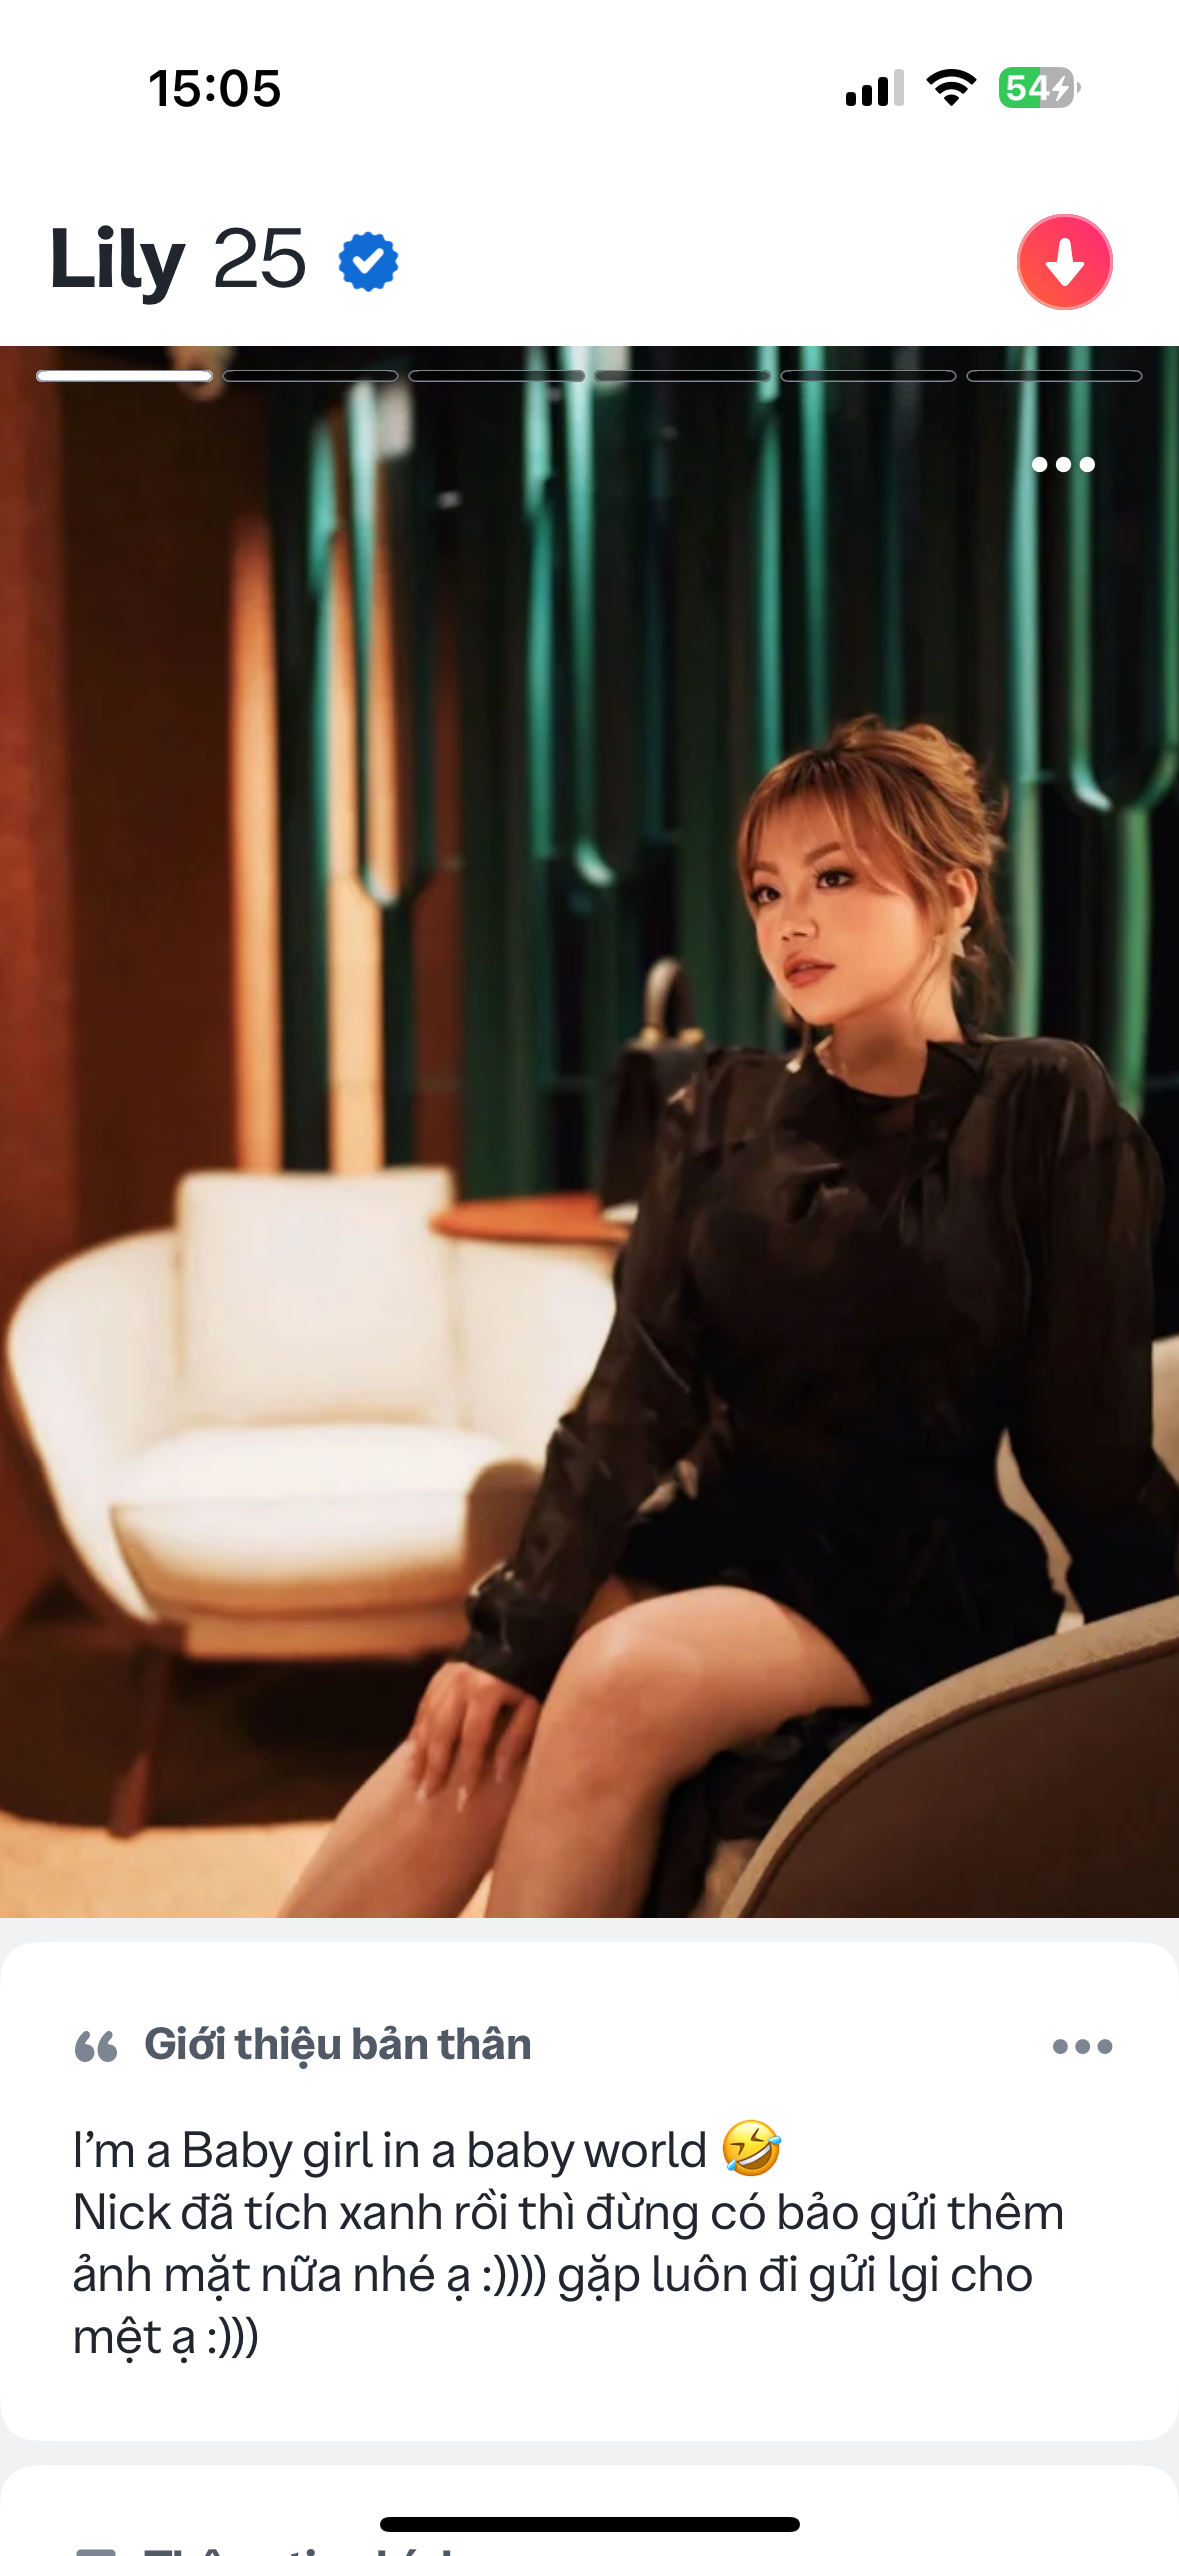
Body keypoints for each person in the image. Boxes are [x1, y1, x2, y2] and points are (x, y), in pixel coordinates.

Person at [281, 715, 1179, 1919]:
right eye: (767, 890)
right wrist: (505, 1638)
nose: (791, 921)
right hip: (724, 1534)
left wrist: (1149, 1676)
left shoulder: (1044, 1104)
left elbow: (1090, 1446)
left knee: (619, 1676)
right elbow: (631, 1398)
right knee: (491, 1705)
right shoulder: (720, 1113)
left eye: (835, 878)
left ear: (953, 894)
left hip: (912, 1572)